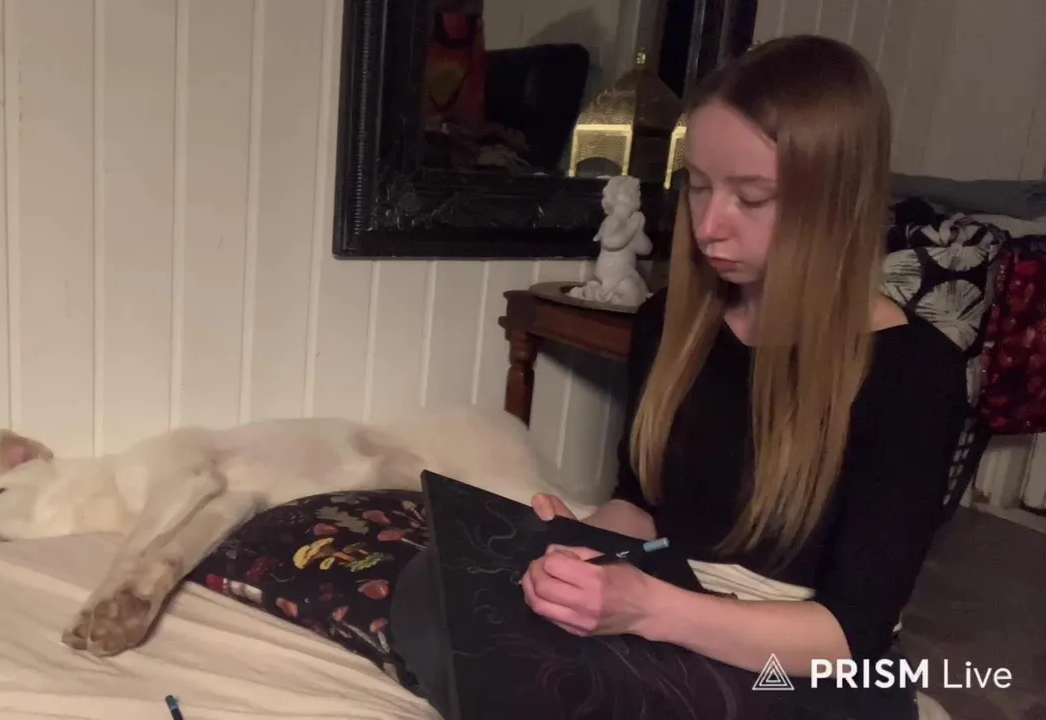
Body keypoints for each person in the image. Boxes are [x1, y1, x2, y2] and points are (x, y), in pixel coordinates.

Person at [390, 34, 968, 720]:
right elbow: (643, 506)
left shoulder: (913, 373)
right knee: (438, 585)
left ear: (834, 202)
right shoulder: (671, 321)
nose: (710, 226)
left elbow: (847, 638)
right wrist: (580, 546)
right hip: (675, 602)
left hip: (801, 663)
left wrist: (648, 609)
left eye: (752, 197)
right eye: (698, 186)